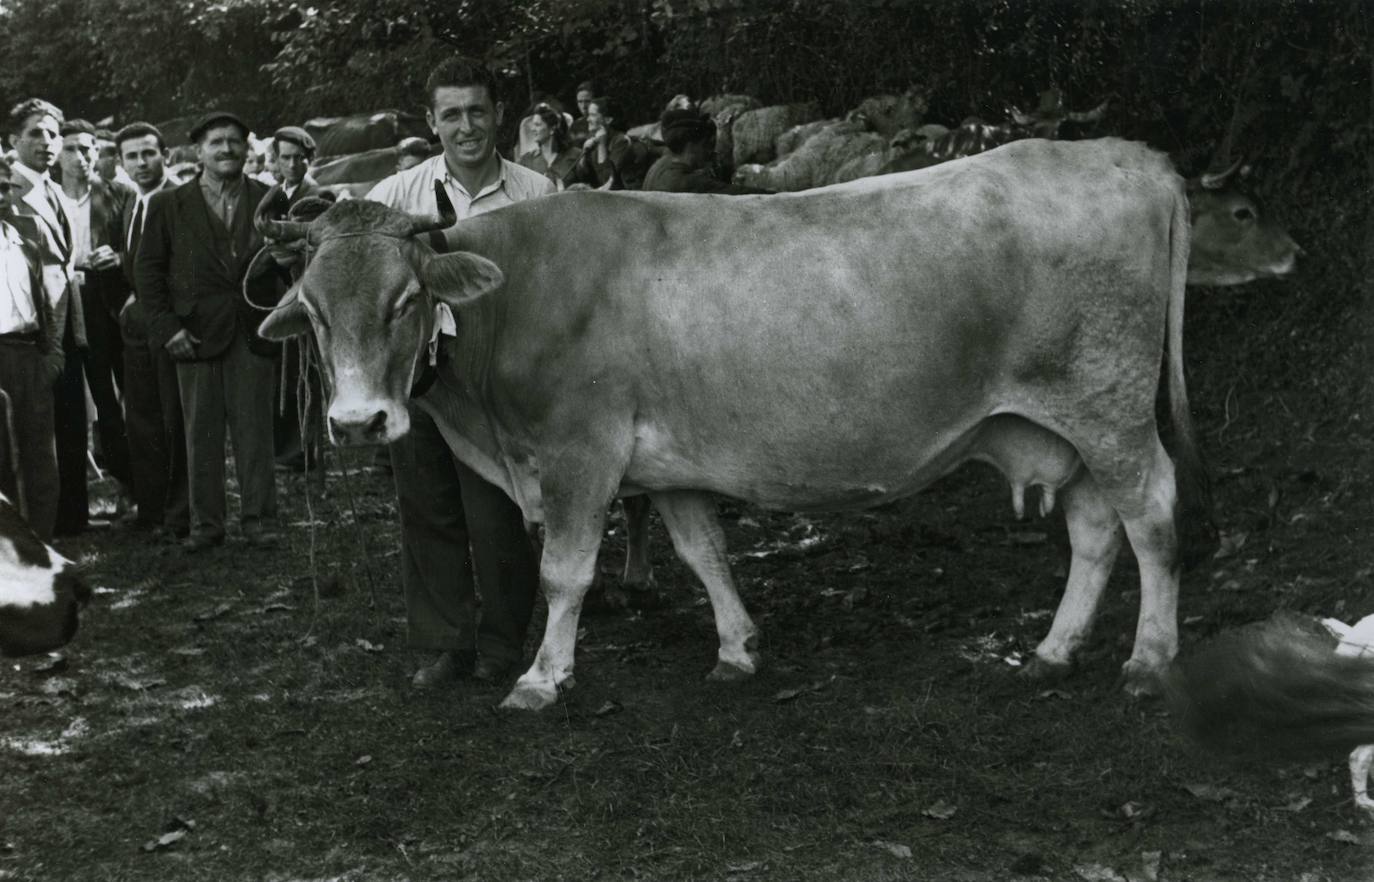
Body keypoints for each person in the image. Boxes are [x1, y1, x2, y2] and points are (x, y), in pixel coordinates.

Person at [367, 56, 552, 688]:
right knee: (427, 506)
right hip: (419, 377)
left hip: (502, 382)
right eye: (452, 114)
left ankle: (503, 643)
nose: (466, 126)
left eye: (477, 111)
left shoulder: (537, 195)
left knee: (497, 510)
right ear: (432, 121)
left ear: (499, 114)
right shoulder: (393, 197)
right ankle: (448, 644)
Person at [135, 111, 287, 551]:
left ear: (247, 149)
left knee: (255, 435)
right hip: (193, 336)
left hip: (253, 330)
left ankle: (261, 520)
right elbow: (147, 274)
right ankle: (207, 526)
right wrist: (168, 330)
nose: (226, 149)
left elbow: (293, 262)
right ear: (198, 151)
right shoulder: (168, 205)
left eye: (235, 142)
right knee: (199, 435)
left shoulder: (269, 197)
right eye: (216, 142)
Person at [7, 99, 89, 535]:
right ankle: (41, 525)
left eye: (53, 134)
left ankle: (72, 517)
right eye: (36, 133)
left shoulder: (55, 190)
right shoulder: (8, 192)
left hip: (67, 324)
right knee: (34, 431)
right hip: (32, 331)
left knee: (71, 420)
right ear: (13, 140)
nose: (47, 142)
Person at [55, 119, 135, 520]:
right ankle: (74, 504)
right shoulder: (47, 196)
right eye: (71, 148)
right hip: (64, 305)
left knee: (114, 400)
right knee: (72, 403)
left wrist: (118, 258)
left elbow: (139, 250)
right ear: (58, 153)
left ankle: (130, 486)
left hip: (107, 304)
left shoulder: (117, 193)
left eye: (88, 149)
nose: (81, 156)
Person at [116, 121, 188, 539]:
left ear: (165, 154)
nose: (142, 163)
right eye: (132, 156)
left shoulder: (179, 200)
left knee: (173, 420)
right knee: (142, 418)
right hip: (139, 328)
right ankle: (152, 509)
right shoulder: (132, 202)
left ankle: (179, 513)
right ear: (121, 163)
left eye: (149, 153)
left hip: (169, 325)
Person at [0, 154, 62, 540]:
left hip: (29, 354)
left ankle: (41, 542)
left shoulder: (26, 233)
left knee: (40, 453)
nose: (2, 196)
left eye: (6, 188)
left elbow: (48, 299)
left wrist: (52, 353)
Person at [267, 125, 324, 473]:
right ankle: (287, 448)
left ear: (309, 159)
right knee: (283, 373)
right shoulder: (273, 194)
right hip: (279, 290)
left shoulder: (317, 194)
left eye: (298, 158)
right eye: (285, 158)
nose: (291, 164)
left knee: (309, 370)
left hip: (309, 289)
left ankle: (307, 448)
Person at [641, 107, 765, 194]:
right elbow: (734, 193)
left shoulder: (658, 166)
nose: (709, 152)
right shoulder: (685, 181)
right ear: (690, 145)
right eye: (705, 145)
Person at [573, 97, 651, 190]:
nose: (588, 119)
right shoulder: (594, 139)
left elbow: (607, 181)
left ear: (608, 120)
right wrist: (584, 154)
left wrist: (602, 145)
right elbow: (582, 177)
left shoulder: (621, 142)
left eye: (593, 115)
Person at [516, 104, 579, 190]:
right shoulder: (527, 161)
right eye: (533, 125)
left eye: (537, 125)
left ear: (552, 129)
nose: (532, 129)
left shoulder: (575, 156)